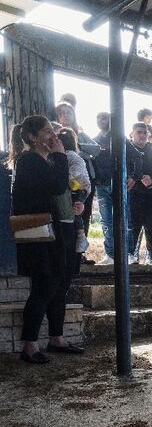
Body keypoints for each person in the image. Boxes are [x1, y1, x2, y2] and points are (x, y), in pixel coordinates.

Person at [9, 116, 82, 363]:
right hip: (40, 237)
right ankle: (30, 346)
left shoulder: (42, 161)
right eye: (47, 131)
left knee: (57, 285)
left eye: (54, 130)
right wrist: (61, 156)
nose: (54, 135)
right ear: (32, 137)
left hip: (53, 233)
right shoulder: (29, 160)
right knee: (44, 287)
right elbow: (57, 185)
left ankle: (56, 338)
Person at [55, 100, 99, 259]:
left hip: (80, 181)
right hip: (66, 182)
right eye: (62, 113)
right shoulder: (55, 132)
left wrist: (76, 145)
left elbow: (96, 149)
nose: (66, 116)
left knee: (81, 212)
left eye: (69, 112)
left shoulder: (80, 133)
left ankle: (80, 250)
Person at [126, 122, 152, 264]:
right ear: (132, 134)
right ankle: (131, 255)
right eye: (139, 132)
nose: (142, 135)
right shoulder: (126, 149)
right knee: (133, 227)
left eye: (145, 132)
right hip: (133, 195)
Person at [56, 128, 92, 259]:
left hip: (79, 188)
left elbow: (75, 171)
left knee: (75, 209)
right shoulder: (67, 156)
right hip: (73, 187)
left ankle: (81, 236)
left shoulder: (71, 156)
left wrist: (62, 178)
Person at [92, 112, 115, 264]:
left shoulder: (118, 139)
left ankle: (126, 253)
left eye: (104, 118)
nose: (101, 121)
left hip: (117, 183)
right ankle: (110, 254)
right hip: (101, 184)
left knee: (123, 220)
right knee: (106, 220)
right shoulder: (93, 141)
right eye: (98, 118)